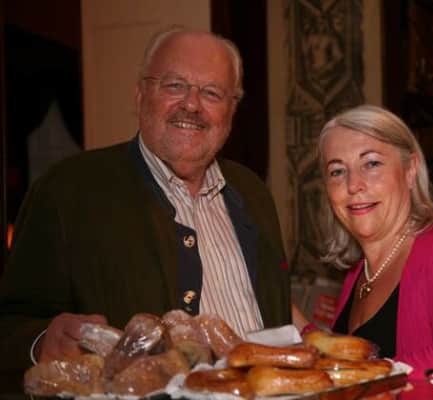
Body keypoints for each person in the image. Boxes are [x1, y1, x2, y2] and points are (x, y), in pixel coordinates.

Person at [0, 26, 290, 389]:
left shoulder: (253, 192)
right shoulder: (67, 190)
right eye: (175, 86)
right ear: (140, 95)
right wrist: (41, 341)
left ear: (232, 109)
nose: (191, 105)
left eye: (212, 93)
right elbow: (9, 325)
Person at [311, 104, 433, 378]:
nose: (353, 184)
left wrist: (365, 376)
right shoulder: (356, 276)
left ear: (410, 170)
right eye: (337, 171)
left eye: (371, 164)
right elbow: (338, 368)